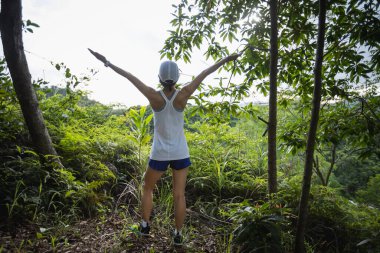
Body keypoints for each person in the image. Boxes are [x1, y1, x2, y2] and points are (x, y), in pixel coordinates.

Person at [88, 48, 240, 245]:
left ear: (159, 77)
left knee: (148, 188)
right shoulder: (183, 94)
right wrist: (227, 58)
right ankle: (177, 235)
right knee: (179, 195)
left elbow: (130, 77)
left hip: (159, 154)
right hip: (180, 153)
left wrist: (107, 61)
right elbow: (205, 73)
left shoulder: (154, 96)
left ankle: (144, 226)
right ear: (177, 78)